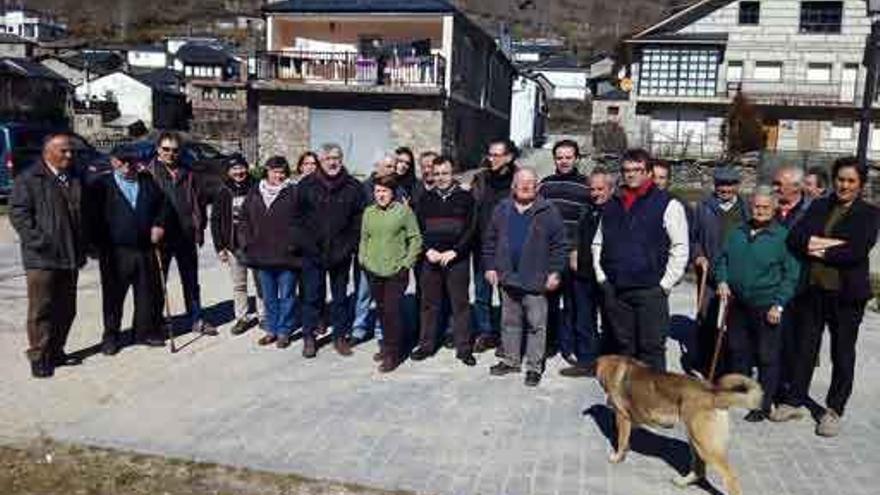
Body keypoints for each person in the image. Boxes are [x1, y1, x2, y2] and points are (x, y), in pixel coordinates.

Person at [773, 157, 879, 437]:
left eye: (851, 181)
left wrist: (818, 246)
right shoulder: (820, 205)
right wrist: (828, 245)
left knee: (842, 353)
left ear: (861, 184)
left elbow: (855, 251)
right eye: (841, 180)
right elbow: (795, 238)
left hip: (846, 296)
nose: (844, 185)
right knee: (805, 348)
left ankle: (834, 410)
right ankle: (795, 400)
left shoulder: (869, 214)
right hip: (814, 290)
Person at [592, 148, 689, 371]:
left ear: (648, 173)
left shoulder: (668, 204)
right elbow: (598, 242)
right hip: (617, 289)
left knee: (651, 349)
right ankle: (630, 402)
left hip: (650, 290)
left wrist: (665, 284)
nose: (631, 175)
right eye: (626, 170)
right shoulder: (612, 204)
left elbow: (680, 247)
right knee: (624, 348)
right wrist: (602, 278)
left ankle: (653, 404)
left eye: (637, 170)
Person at [714, 186, 800, 422]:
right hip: (739, 303)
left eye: (765, 207)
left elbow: (791, 274)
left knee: (766, 356)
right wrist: (722, 280)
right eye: (756, 207)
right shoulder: (737, 232)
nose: (760, 211)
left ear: (773, 209)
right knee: (738, 350)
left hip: (766, 305)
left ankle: (763, 403)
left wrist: (779, 304)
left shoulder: (782, 237)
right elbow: (721, 259)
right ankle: (742, 393)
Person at [10, 133, 88, 378]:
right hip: (42, 258)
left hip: (70, 254)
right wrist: (39, 242)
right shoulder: (29, 179)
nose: (69, 155)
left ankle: (56, 350)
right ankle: (39, 356)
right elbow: (19, 214)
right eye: (64, 151)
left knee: (67, 308)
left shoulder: (74, 177)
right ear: (47, 153)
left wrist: (84, 245)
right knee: (42, 309)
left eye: (71, 151)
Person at [484, 168, 566, 387]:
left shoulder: (548, 211)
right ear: (513, 186)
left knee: (536, 325)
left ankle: (534, 367)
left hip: (536, 279)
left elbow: (559, 246)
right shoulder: (502, 208)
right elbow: (490, 240)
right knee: (509, 322)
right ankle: (511, 360)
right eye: (521, 182)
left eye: (531, 182)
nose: (526, 185)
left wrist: (555, 272)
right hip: (508, 277)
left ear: (538, 187)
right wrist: (490, 266)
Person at [93, 147, 168, 356]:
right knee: (113, 297)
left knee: (146, 294)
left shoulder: (147, 182)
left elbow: (163, 206)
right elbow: (92, 216)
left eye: (131, 161)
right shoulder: (102, 185)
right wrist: (96, 245)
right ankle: (111, 336)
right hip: (115, 252)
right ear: (113, 161)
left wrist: (159, 225)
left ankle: (143, 332)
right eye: (123, 161)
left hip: (144, 248)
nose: (127, 165)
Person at [294, 143, 366, 358]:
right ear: (321, 162)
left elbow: (358, 221)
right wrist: (307, 246)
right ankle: (309, 336)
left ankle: (339, 337)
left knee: (340, 298)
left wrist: (347, 247)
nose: (333, 162)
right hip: (312, 254)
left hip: (340, 254)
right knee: (312, 297)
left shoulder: (353, 186)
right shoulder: (306, 185)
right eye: (328, 159)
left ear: (342, 160)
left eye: (337, 158)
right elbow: (296, 220)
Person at [147, 132, 217, 337]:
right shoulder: (148, 174)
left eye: (175, 150)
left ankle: (196, 319)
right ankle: (157, 323)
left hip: (185, 235)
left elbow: (200, 203)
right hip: (161, 237)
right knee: (158, 283)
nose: (171, 154)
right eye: (166, 149)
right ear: (158, 150)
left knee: (191, 280)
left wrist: (200, 226)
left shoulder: (189, 174)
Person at [412, 156, 477, 366]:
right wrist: (427, 250)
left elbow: (471, 229)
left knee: (460, 304)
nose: (441, 178)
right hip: (431, 258)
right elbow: (418, 229)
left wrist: (455, 251)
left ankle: (464, 348)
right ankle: (426, 345)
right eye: (437, 174)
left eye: (445, 173)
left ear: (453, 173)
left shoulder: (466, 198)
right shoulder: (425, 199)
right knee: (429, 304)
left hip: (456, 259)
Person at [359, 174, 422, 372]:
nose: (381, 195)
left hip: (396, 271)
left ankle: (394, 353)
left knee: (392, 311)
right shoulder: (369, 212)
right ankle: (386, 345)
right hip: (374, 270)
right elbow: (364, 238)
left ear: (392, 193)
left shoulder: (403, 212)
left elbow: (415, 238)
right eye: (377, 191)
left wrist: (407, 263)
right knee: (382, 310)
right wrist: (363, 259)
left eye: (385, 191)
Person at [691, 166, 750, 375]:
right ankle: (706, 364)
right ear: (715, 186)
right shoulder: (703, 207)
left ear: (737, 186)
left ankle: (732, 367)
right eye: (721, 185)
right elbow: (694, 238)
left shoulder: (746, 209)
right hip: (709, 274)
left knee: (735, 322)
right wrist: (697, 255)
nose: (725, 189)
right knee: (707, 320)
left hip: (737, 273)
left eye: (729, 185)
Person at [559, 167, 614, 377]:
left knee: (610, 318)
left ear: (610, 189)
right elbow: (576, 232)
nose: (596, 193)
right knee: (584, 317)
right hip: (583, 271)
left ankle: (609, 360)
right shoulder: (586, 208)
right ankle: (586, 361)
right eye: (592, 189)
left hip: (607, 273)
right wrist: (573, 250)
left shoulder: (616, 210)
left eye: (600, 189)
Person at [240, 157, 301, 349]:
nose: (279, 175)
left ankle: (284, 331)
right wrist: (248, 244)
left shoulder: (293, 192)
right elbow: (244, 220)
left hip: (287, 256)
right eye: (275, 171)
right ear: (267, 171)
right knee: (268, 296)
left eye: (282, 172)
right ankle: (271, 330)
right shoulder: (255, 193)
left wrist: (294, 244)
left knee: (287, 296)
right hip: (262, 256)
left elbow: (303, 222)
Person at [538, 139, 590, 361]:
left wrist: (577, 249)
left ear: (577, 158)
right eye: (560, 157)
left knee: (572, 304)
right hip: (549, 255)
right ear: (554, 160)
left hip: (574, 255)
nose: (564, 161)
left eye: (568, 157)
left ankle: (569, 345)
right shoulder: (545, 185)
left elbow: (587, 222)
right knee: (548, 303)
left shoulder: (586, 185)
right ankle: (549, 344)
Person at [471, 138, 519, 353]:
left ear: (509, 157)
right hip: (481, 244)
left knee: (506, 294)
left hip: (507, 248)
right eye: (490, 154)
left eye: (497, 155)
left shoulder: (518, 180)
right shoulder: (480, 179)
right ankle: (485, 333)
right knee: (481, 293)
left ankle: (504, 337)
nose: (492, 159)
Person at [211, 156, 263, 335]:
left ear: (247, 168)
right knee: (239, 285)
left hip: (256, 245)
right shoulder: (223, 191)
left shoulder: (257, 187)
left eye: (241, 168)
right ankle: (242, 317)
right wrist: (220, 247)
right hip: (234, 245)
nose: (238, 172)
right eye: (234, 169)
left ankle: (264, 316)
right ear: (228, 172)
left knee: (260, 282)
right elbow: (215, 220)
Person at [352, 154, 401, 346]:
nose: (392, 169)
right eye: (388, 166)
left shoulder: (399, 190)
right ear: (377, 167)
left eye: (393, 166)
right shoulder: (362, 189)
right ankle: (358, 329)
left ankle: (381, 332)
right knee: (363, 293)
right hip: (368, 250)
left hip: (389, 252)